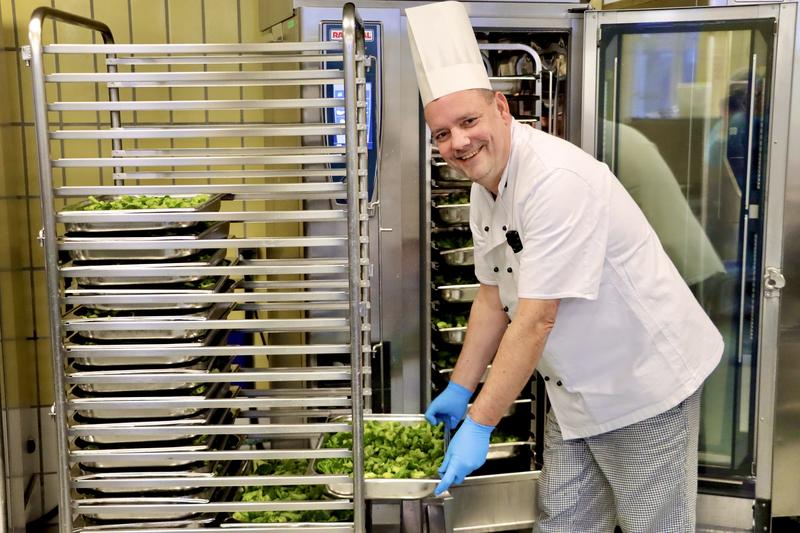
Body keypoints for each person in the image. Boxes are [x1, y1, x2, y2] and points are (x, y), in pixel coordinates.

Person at [405, 2, 724, 531]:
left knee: (654, 523)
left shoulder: (555, 181)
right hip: (576, 391)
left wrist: (482, 421)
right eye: (442, 134)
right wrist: (461, 388)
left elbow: (535, 318)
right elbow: (491, 296)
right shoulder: (485, 189)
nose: (458, 142)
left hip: (641, 382)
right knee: (565, 521)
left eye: (468, 121)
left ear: (502, 109)